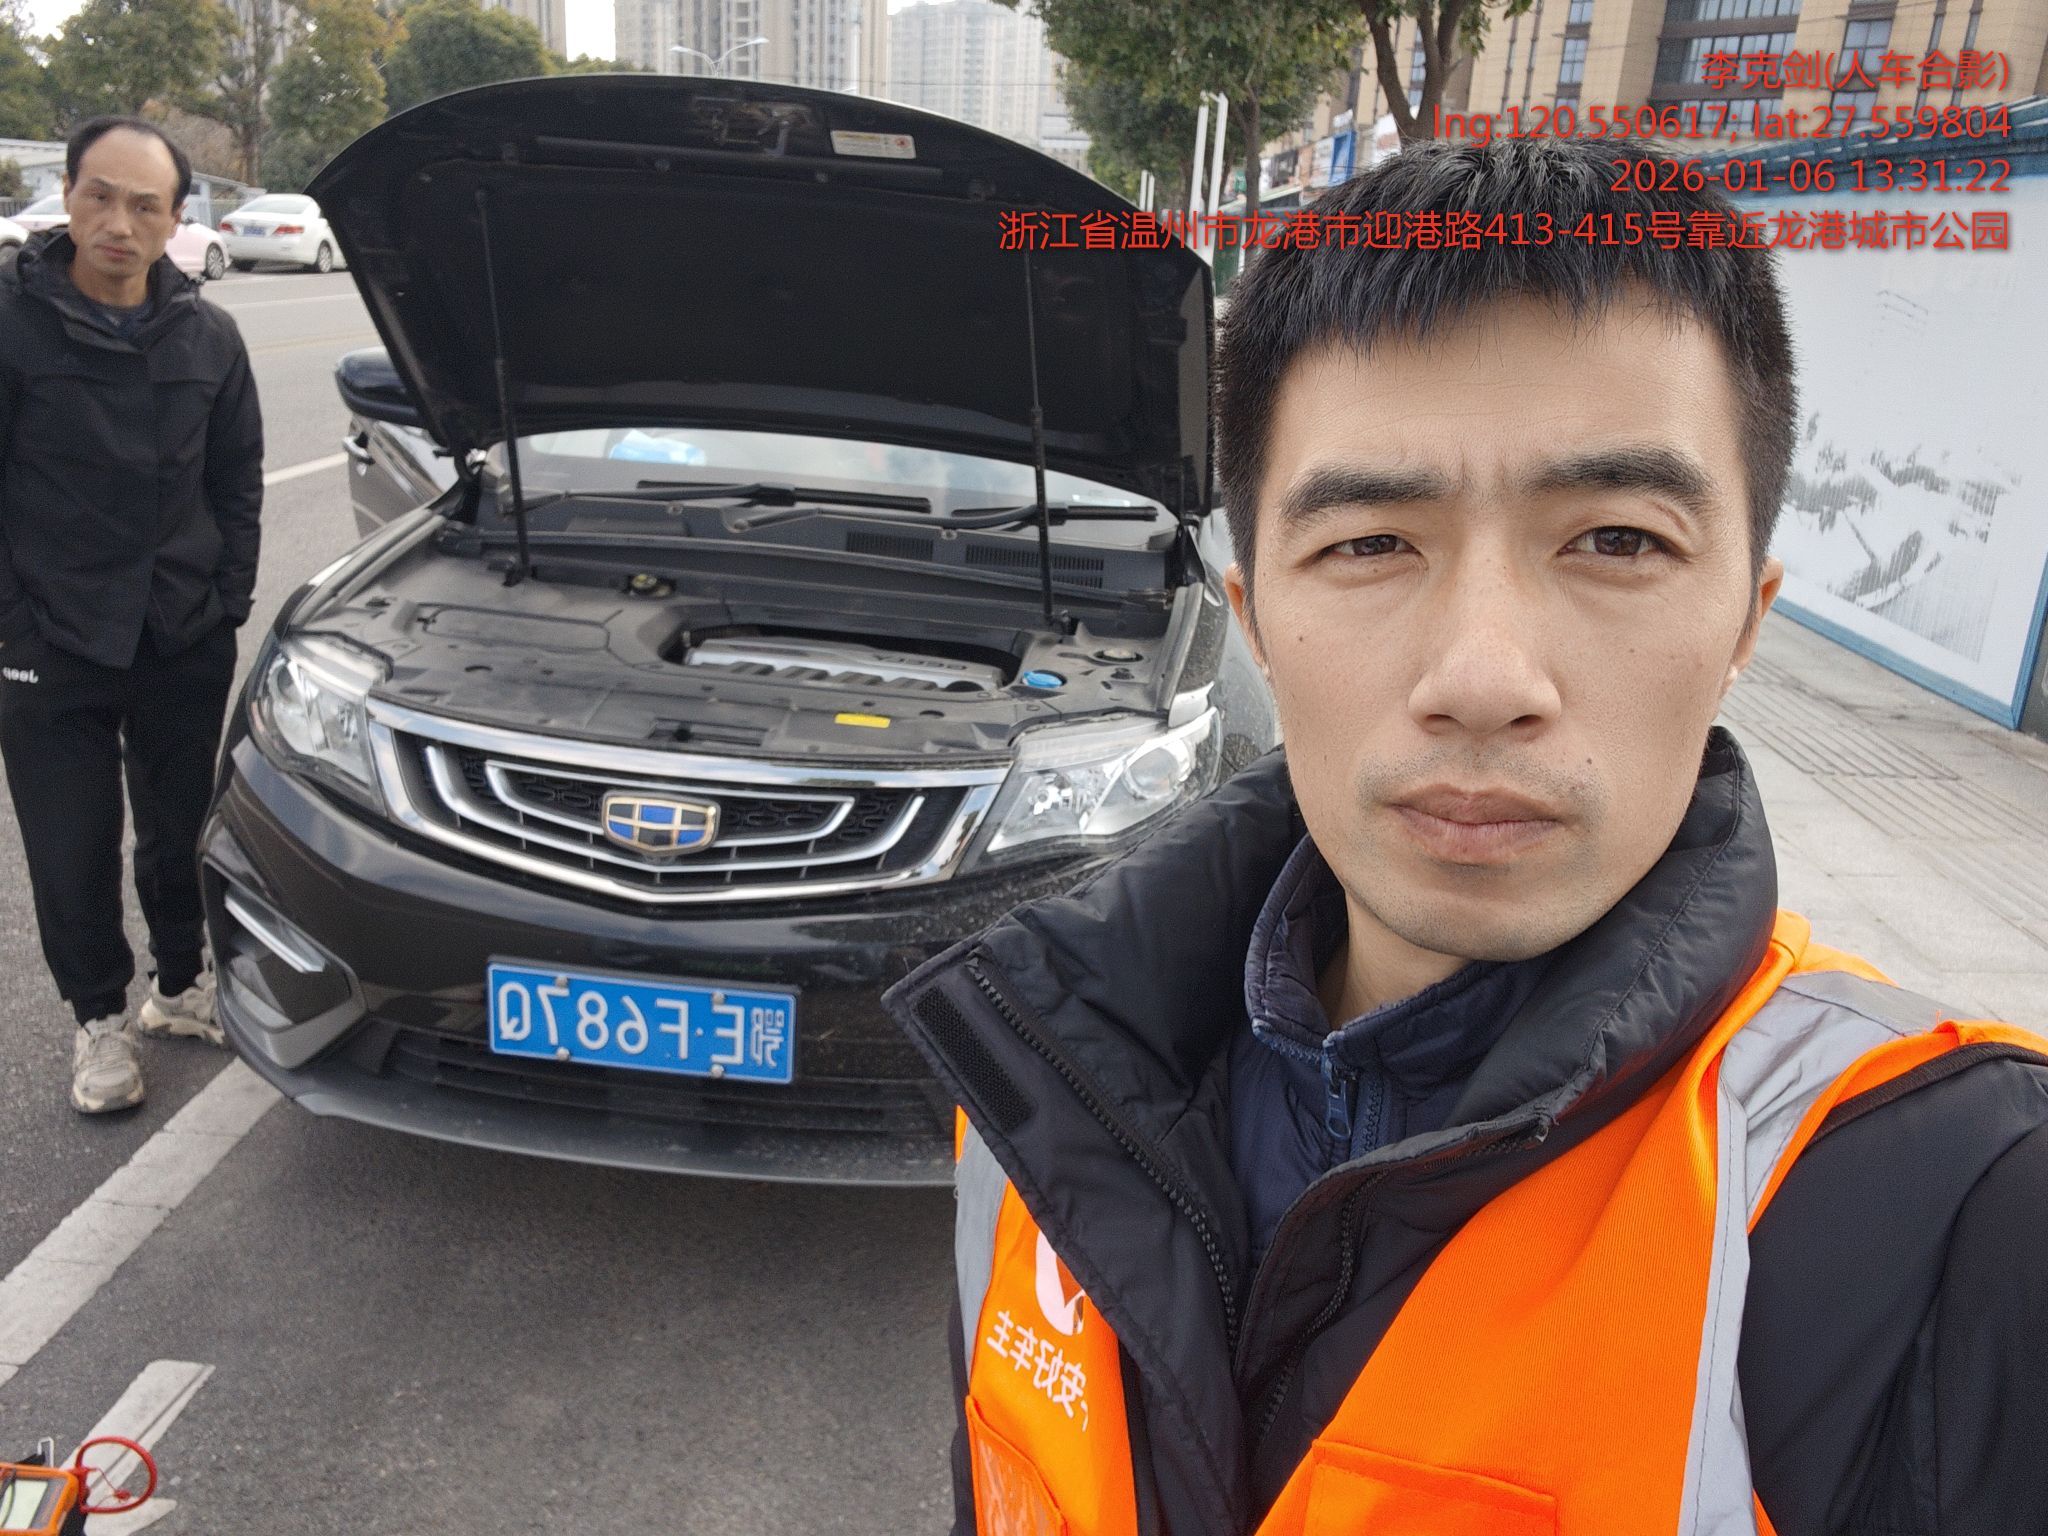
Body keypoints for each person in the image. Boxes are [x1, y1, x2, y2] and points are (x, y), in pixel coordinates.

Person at [885, 136, 2048, 1535]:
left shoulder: (1964, 1212)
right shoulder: (1041, 1073)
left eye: (1615, 540)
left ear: (1746, 617)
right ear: (1256, 624)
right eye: (1370, 544)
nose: (1484, 679)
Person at [0, 118, 263, 1114]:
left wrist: (227, 599)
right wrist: (12, 625)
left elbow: (235, 479)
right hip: (51, 636)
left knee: (180, 827)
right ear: (67, 197)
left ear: (175, 218)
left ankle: (180, 989)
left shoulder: (208, 336)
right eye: (100, 196)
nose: (119, 223)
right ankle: (99, 1023)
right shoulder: (13, 324)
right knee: (70, 843)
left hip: (179, 630)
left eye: (144, 205)